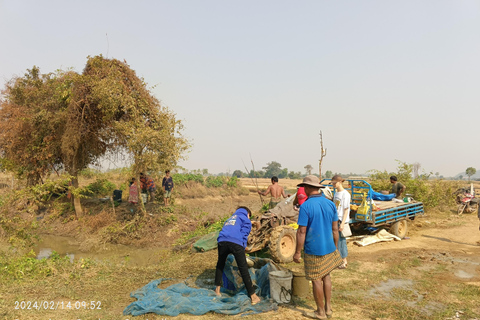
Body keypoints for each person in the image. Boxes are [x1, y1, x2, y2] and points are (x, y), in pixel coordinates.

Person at [293, 175, 343, 319]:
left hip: (313, 249)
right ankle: (328, 308)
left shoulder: (306, 206)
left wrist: (297, 252)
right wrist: (335, 247)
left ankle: (320, 312)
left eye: (304, 187)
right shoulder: (330, 204)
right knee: (326, 276)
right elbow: (335, 229)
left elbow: (301, 231)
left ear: (308, 188)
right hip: (329, 247)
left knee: (316, 279)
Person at [215, 206, 261, 305]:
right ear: (248, 214)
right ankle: (253, 296)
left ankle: (217, 291)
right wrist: (243, 247)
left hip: (221, 241)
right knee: (243, 268)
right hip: (235, 243)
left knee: (220, 264)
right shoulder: (246, 219)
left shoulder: (230, 219)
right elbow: (244, 235)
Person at [331, 175, 351, 269]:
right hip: (335, 219)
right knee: (336, 241)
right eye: (332, 183)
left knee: (342, 241)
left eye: (334, 183)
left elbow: (346, 210)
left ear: (339, 182)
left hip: (341, 220)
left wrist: (343, 223)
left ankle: (344, 261)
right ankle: (337, 260)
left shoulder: (345, 194)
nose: (333, 185)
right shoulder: (336, 193)